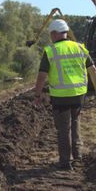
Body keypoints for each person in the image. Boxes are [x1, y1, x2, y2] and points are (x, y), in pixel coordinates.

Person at [34, 19, 96, 170]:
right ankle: (78, 155)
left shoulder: (50, 51)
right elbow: (93, 70)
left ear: (54, 34)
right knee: (75, 122)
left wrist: (37, 95)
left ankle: (65, 162)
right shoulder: (80, 48)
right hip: (79, 95)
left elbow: (42, 75)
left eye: (51, 34)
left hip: (61, 97)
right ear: (66, 32)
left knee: (63, 128)